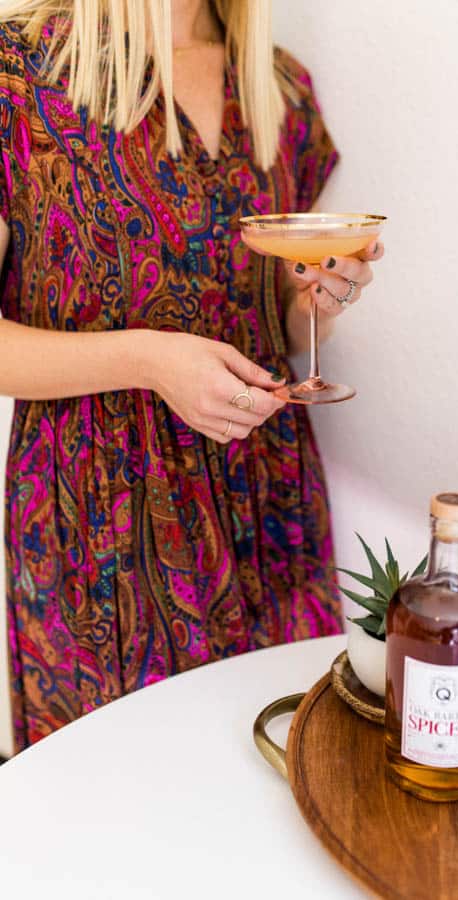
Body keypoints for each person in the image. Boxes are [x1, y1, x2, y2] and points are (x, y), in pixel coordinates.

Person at [0, 0, 384, 752]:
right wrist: (147, 359)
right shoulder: (20, 75)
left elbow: (268, 311)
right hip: (99, 522)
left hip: (267, 499)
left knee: (282, 774)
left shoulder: (280, 89)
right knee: (126, 797)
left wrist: (316, 300)